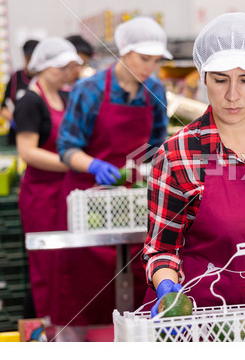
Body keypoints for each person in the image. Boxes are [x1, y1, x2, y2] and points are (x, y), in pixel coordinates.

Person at [142, 13, 245, 314]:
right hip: (190, 315)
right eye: (221, 80)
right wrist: (167, 289)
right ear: (203, 77)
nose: (233, 96)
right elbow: (162, 250)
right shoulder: (176, 154)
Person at [53, 16, 171, 333]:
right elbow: (67, 147)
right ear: (123, 51)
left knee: (136, 279)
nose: (150, 67)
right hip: (89, 198)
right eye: (144, 59)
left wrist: (149, 167)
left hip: (134, 200)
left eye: (156, 60)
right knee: (87, 284)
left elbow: (157, 146)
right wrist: (93, 165)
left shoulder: (155, 91)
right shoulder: (89, 91)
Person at [14, 37, 82, 320]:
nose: (66, 73)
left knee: (64, 266)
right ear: (43, 67)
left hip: (66, 193)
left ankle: (64, 326)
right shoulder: (30, 101)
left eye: (68, 67)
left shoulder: (66, 97)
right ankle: (41, 334)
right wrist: (74, 164)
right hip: (40, 196)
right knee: (44, 265)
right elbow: (27, 152)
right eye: (60, 68)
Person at [1, 39, 39, 145]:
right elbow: (4, 107)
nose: (30, 60)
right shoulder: (15, 77)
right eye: (28, 57)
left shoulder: (43, 79)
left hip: (38, 135)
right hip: (17, 136)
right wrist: (15, 119)